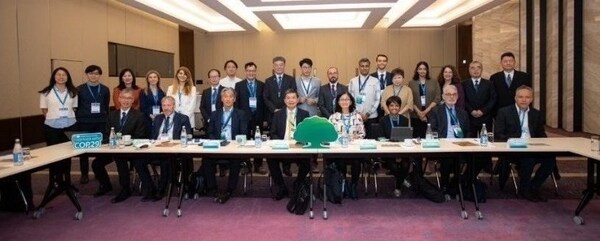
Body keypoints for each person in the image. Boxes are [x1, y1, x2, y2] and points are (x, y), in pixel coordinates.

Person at [494, 85, 556, 202]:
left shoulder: (536, 114)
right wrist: (514, 141)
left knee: (550, 160)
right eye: (521, 97)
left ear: (531, 99)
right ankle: (525, 189)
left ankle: (533, 186)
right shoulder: (504, 112)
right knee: (528, 158)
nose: (524, 100)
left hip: (533, 147)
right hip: (513, 149)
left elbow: (541, 134)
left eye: (527, 97)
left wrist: (542, 143)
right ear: (515, 98)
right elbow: (498, 134)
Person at [92, 88, 147, 203]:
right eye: (123, 98)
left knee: (120, 159)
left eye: (129, 98)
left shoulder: (139, 116)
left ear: (133, 100)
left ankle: (125, 189)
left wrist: (124, 142)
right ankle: (106, 185)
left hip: (130, 149)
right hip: (113, 148)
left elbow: (139, 135)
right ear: (119, 99)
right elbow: (107, 133)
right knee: (96, 164)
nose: (126, 101)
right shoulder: (112, 115)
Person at [135, 96, 191, 202]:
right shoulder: (158, 118)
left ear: (174, 106)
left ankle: (161, 190)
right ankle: (150, 189)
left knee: (165, 160)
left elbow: (187, 137)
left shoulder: (183, 118)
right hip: (156, 148)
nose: (166, 108)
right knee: (139, 162)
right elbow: (153, 136)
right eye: (164, 105)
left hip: (174, 150)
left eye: (169, 105)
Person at [38, 67, 79, 206]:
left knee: (68, 155)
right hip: (52, 127)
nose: (61, 77)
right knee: (53, 155)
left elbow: (74, 108)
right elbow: (44, 110)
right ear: (54, 77)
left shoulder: (73, 92)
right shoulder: (46, 92)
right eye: (58, 75)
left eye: (64, 75)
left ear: (68, 77)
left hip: (69, 125)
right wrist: (55, 119)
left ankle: (67, 182)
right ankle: (55, 181)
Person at [204, 88, 248, 204]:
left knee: (235, 160)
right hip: (218, 146)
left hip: (234, 147)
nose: (228, 99)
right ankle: (213, 189)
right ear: (221, 99)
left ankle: (230, 190)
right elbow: (210, 132)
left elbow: (244, 133)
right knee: (206, 160)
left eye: (230, 97)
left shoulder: (241, 114)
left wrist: (233, 144)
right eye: (225, 97)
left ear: (234, 99)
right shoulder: (215, 114)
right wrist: (217, 143)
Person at [267, 89, 310, 201]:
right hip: (282, 147)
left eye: (293, 98)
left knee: (308, 159)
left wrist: (300, 142)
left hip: (298, 147)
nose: (291, 100)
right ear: (284, 100)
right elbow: (273, 133)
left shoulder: (304, 114)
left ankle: (298, 183)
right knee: (270, 159)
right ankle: (281, 187)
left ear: (298, 100)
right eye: (288, 98)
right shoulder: (277, 114)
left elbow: (307, 133)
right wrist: (283, 144)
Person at [428, 85, 470, 193]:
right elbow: (433, 129)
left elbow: (468, 131)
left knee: (475, 158)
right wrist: (443, 142)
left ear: (458, 96)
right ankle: (445, 186)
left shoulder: (463, 113)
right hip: (443, 144)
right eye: (448, 94)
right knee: (448, 158)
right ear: (443, 96)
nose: (451, 97)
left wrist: (466, 142)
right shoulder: (436, 111)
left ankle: (459, 184)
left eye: (454, 94)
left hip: (460, 144)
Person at [328, 91, 366, 200]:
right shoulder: (333, 117)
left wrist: (355, 137)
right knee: (340, 161)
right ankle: (343, 184)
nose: (344, 102)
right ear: (338, 102)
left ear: (351, 102)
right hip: (339, 149)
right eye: (342, 99)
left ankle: (353, 185)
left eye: (347, 99)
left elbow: (362, 133)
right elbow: (329, 135)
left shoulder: (357, 116)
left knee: (357, 162)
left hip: (354, 149)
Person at [75, 65, 110, 184]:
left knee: (100, 148)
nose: (93, 75)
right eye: (91, 73)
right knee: (83, 150)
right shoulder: (79, 89)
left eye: (96, 73)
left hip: (100, 122)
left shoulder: (105, 89)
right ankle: (84, 174)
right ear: (87, 74)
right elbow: (76, 106)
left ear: (100, 75)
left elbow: (106, 106)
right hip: (84, 122)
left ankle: (97, 170)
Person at [264, 56, 297, 176]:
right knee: (278, 136)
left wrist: (284, 110)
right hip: (274, 114)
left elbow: (292, 96)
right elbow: (265, 97)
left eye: (281, 64)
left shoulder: (290, 79)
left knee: (288, 134)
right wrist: (275, 110)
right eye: (276, 65)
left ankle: (287, 167)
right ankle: (279, 162)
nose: (279, 67)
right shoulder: (268, 81)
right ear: (273, 66)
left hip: (288, 111)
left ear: (284, 66)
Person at [235, 62, 267, 174]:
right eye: (249, 70)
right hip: (244, 118)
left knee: (259, 141)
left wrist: (265, 119)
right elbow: (237, 103)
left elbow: (265, 102)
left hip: (258, 117)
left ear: (256, 71)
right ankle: (246, 164)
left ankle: (258, 165)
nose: (251, 73)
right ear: (245, 71)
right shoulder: (239, 85)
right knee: (244, 141)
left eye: (253, 70)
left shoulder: (262, 85)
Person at [378, 96, 410, 197]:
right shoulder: (383, 120)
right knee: (394, 166)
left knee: (405, 164)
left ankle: (398, 185)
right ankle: (400, 183)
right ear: (388, 107)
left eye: (397, 105)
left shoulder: (405, 120)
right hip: (388, 150)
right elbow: (380, 137)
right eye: (391, 105)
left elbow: (407, 136)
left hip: (402, 149)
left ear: (400, 107)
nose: (394, 108)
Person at [490, 52, 532, 116]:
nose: (508, 63)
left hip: (520, 111)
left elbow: (529, 94)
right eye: (505, 61)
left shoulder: (524, 76)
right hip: (499, 112)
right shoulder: (494, 77)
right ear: (501, 63)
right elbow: (492, 96)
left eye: (511, 61)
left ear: (514, 62)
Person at [348, 58, 381, 139]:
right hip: (356, 116)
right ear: (359, 67)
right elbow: (350, 99)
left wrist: (368, 114)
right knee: (357, 139)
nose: (364, 68)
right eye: (362, 66)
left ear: (369, 67)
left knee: (371, 140)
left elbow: (377, 99)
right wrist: (358, 113)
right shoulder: (353, 81)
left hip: (371, 116)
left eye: (366, 66)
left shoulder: (375, 81)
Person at [408, 61, 441, 138]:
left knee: (429, 137)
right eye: (420, 69)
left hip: (431, 114)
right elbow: (410, 99)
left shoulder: (434, 82)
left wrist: (426, 111)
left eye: (424, 69)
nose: (422, 71)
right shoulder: (411, 83)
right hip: (415, 115)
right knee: (417, 138)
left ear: (427, 70)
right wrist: (419, 112)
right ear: (417, 70)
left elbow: (438, 98)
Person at [139, 70, 166, 136]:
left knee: (159, 135)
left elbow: (165, 104)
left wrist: (162, 113)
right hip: (148, 118)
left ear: (158, 79)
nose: (152, 79)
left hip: (161, 116)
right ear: (147, 79)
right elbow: (143, 106)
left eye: (154, 77)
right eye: (150, 77)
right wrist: (150, 115)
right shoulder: (143, 91)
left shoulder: (162, 91)